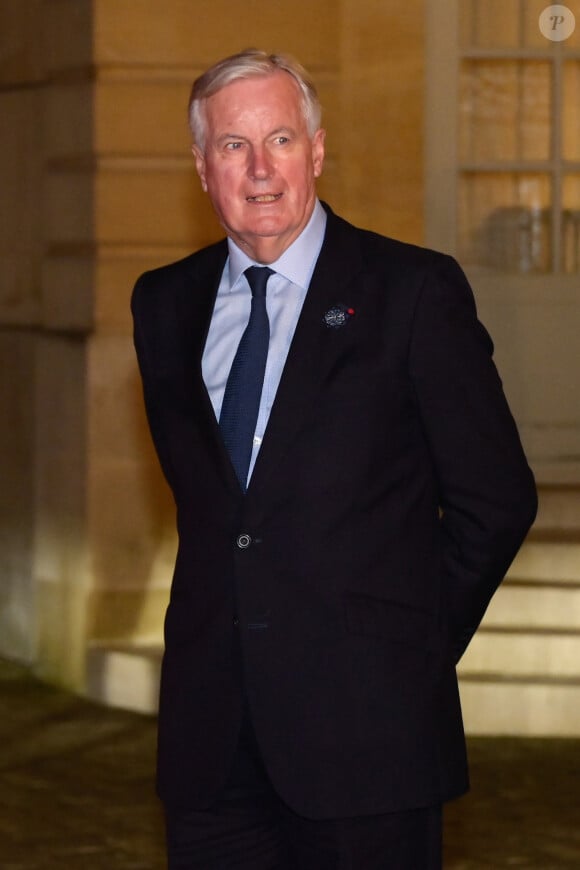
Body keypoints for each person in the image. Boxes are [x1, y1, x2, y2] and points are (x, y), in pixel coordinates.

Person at [131, 49, 537, 869]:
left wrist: (406, 649)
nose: (259, 170)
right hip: (212, 746)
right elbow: (222, 516)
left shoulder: (413, 292)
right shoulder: (163, 304)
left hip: (370, 741)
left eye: (279, 139)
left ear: (316, 150)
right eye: (233, 146)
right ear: (202, 166)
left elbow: (496, 501)